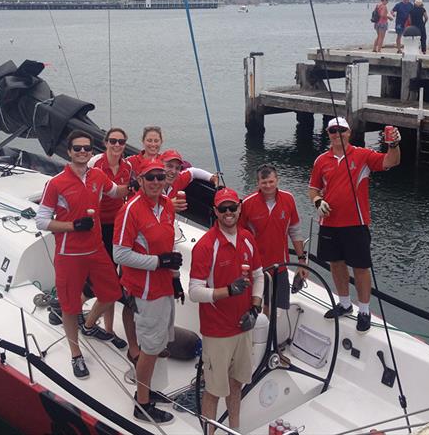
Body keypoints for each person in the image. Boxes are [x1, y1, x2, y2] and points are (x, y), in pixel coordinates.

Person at [35, 130, 128, 379]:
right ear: (69, 151)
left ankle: (89, 326)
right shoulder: (55, 183)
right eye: (78, 148)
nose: (83, 152)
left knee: (112, 293)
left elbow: (115, 192)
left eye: (87, 148)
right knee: (70, 306)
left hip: (96, 249)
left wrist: (142, 184)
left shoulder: (97, 175)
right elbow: (41, 221)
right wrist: (72, 226)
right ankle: (75, 354)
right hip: (69, 254)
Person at [307, 117, 401, 332]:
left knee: (360, 268)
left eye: (341, 129)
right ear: (328, 133)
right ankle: (345, 304)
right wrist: (317, 201)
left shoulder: (363, 155)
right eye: (332, 130)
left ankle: (365, 310)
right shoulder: (321, 160)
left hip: (356, 223)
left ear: (349, 133)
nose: (336, 133)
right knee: (336, 264)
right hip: (329, 223)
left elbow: (391, 161)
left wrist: (393, 144)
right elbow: (313, 188)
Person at [113, 161, 183, 424]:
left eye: (160, 177)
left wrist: (174, 279)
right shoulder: (129, 211)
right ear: (140, 181)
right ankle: (142, 403)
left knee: (159, 343)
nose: (156, 181)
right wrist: (158, 262)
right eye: (150, 177)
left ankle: (150, 389)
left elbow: (168, 246)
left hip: (164, 286)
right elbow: (119, 254)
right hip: (145, 290)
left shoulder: (166, 206)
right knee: (150, 348)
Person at [189, 188, 264, 435]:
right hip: (217, 331)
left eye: (232, 208)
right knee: (213, 391)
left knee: (237, 383)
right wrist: (228, 291)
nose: (229, 213)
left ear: (239, 209)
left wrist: (255, 307)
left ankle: (235, 429)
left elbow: (258, 276)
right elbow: (195, 291)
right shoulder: (206, 246)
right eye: (223, 209)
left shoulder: (247, 239)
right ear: (215, 212)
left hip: (243, 327)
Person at [86, 127, 136, 353]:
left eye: (121, 142)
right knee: (102, 280)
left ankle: (108, 329)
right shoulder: (95, 164)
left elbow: (123, 193)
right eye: (113, 141)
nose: (117, 145)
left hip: (118, 226)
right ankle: (76, 314)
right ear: (105, 143)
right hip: (98, 226)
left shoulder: (128, 167)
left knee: (112, 276)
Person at [239, 164, 306, 315]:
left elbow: (295, 230)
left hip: (280, 265)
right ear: (258, 183)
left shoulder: (289, 199)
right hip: (255, 266)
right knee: (252, 303)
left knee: (272, 305)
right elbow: (239, 236)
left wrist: (302, 261)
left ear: (277, 180)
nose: (268, 186)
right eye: (264, 182)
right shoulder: (247, 204)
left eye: (271, 181)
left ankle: (268, 332)